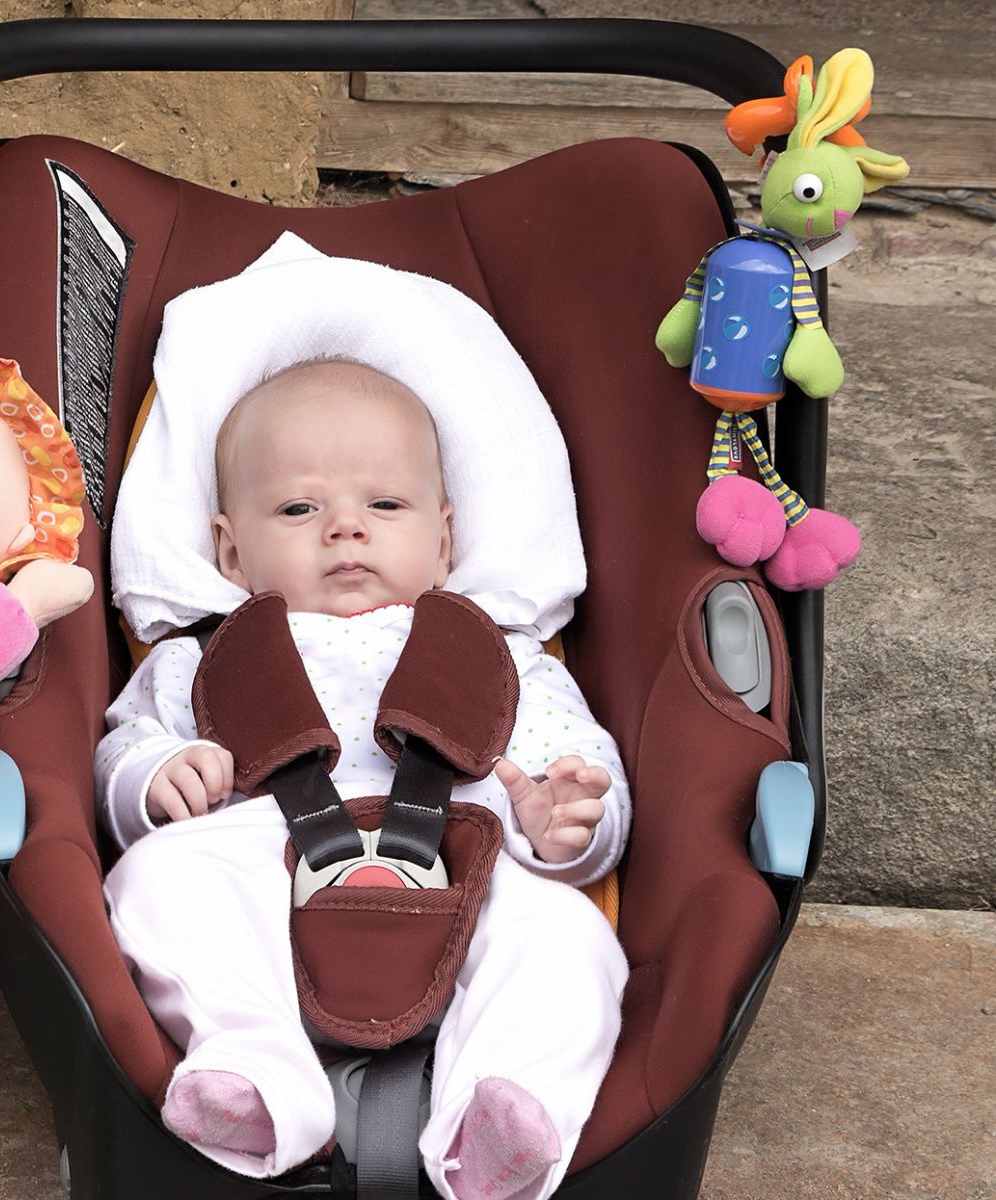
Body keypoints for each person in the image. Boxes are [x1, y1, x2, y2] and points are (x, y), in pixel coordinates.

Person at [97, 358, 629, 1200]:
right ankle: (257, 1068)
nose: (345, 529)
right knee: (151, 882)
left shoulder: (503, 660)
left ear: (446, 540)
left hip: (464, 868)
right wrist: (158, 778)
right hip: (265, 869)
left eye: (384, 504)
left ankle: (497, 1115)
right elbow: (123, 749)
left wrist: (568, 820)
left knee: (571, 941)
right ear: (231, 551)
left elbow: (583, 769)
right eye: (300, 508)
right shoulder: (201, 661)